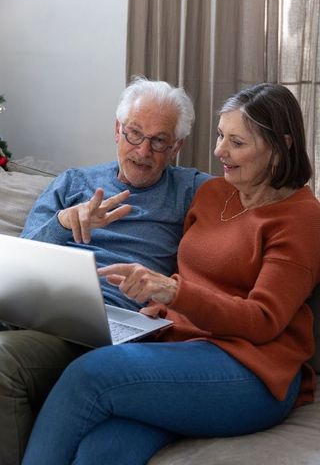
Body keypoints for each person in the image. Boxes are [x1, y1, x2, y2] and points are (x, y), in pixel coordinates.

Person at [22, 82, 320, 465]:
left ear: (282, 146)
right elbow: (195, 272)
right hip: (181, 352)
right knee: (100, 451)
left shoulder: (303, 218)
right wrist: (160, 310)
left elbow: (263, 320)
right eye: (220, 136)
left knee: (89, 375)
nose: (219, 152)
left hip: (251, 371)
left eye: (237, 143)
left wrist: (174, 294)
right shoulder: (213, 194)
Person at [0, 76, 210, 465]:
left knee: (3, 360)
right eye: (134, 134)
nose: (143, 151)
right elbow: (24, 257)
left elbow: (238, 236)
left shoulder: (193, 190)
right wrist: (64, 223)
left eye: (159, 141)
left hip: (108, 330)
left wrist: (173, 295)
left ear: (176, 146)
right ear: (117, 129)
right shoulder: (73, 183)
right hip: (42, 307)